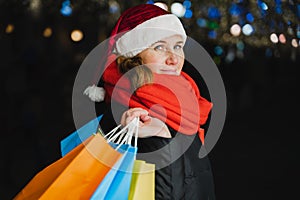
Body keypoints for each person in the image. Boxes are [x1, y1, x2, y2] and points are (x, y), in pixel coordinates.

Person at [85, 4, 216, 200]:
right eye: (159, 47)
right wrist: (162, 137)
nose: (174, 58)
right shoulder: (133, 110)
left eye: (178, 46)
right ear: (134, 55)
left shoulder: (182, 97)